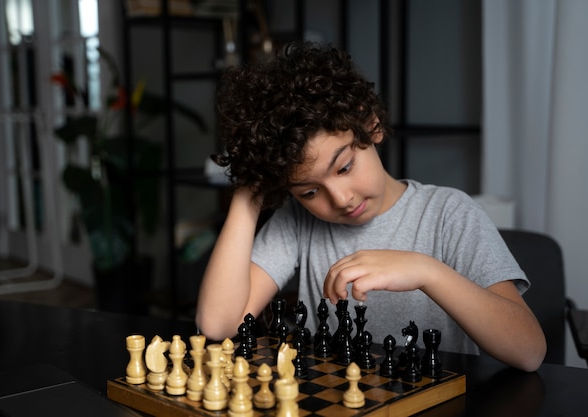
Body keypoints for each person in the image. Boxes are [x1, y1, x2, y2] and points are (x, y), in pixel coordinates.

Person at [195, 42, 546, 372]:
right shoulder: (298, 221)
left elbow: (529, 352)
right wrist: (249, 189)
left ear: (371, 125)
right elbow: (217, 323)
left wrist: (427, 271)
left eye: (344, 167)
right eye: (310, 191)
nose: (341, 198)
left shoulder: (450, 213)